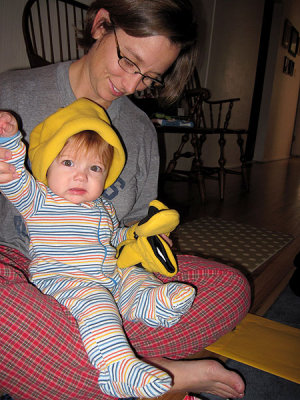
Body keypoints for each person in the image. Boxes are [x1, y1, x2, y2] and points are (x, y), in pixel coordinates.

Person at [0, 1, 251, 399]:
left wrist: (149, 242)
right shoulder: (10, 97)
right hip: (22, 270)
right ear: (101, 25)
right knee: (4, 311)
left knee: (230, 288)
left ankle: (77, 363)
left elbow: (132, 221)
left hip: (107, 269)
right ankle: (154, 371)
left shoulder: (139, 131)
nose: (132, 85)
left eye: (150, 77)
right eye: (129, 61)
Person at [0, 98, 196, 398]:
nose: (81, 175)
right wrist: (10, 141)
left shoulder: (102, 208)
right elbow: (13, 177)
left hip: (106, 276)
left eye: (95, 168)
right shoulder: (39, 199)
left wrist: (137, 237)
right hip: (63, 283)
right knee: (97, 301)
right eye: (68, 163)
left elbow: (114, 237)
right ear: (46, 166)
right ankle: (116, 368)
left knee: (132, 272)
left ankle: (149, 303)